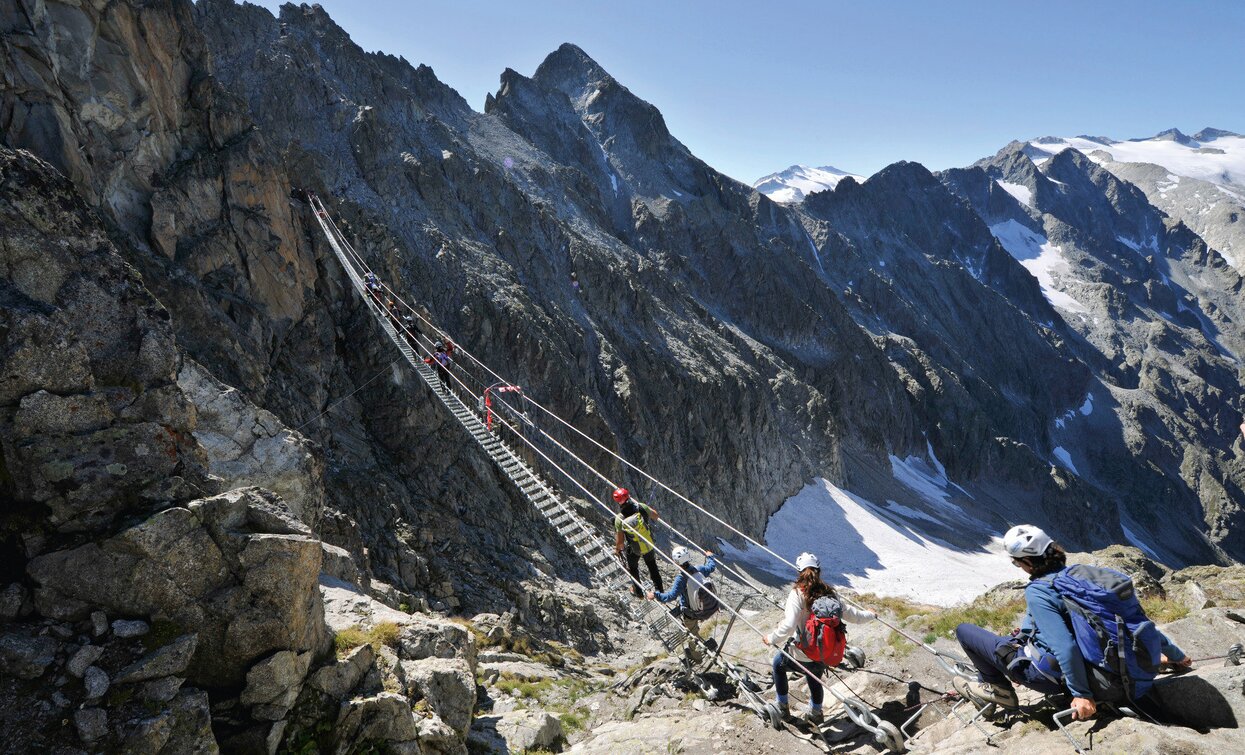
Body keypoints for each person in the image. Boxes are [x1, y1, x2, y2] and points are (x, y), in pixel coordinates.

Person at [953, 525, 1191, 721]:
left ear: (1027, 561)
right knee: (1010, 640)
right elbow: (1134, 620)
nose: (1019, 567)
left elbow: (1065, 647)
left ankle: (997, 689)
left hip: (1056, 678)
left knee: (965, 631)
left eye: (1017, 563)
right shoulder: (1082, 578)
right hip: (1118, 672)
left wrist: (1082, 695)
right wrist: (1175, 654)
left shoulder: (1039, 591)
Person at [763, 552, 876, 724]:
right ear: (819, 570)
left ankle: (782, 707)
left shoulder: (797, 593)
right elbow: (856, 616)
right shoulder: (831, 593)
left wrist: (771, 638)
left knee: (778, 664)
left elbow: (789, 625)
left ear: (799, 571)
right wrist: (871, 614)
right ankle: (816, 711)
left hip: (802, 653)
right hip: (827, 652)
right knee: (814, 674)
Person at [647, 547, 718, 658]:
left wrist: (655, 595)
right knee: (694, 627)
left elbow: (671, 596)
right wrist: (710, 557)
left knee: (692, 635)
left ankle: (696, 656)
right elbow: (711, 567)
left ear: (676, 562)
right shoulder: (699, 569)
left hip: (691, 613)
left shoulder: (681, 578)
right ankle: (697, 642)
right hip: (707, 607)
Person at [613, 488, 664, 598]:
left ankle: (639, 592)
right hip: (648, 544)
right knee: (652, 566)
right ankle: (660, 592)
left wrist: (617, 551)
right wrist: (643, 508)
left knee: (633, 568)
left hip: (634, 549)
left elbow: (620, 543)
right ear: (629, 496)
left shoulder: (619, 519)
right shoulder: (641, 507)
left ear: (618, 501)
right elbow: (656, 516)